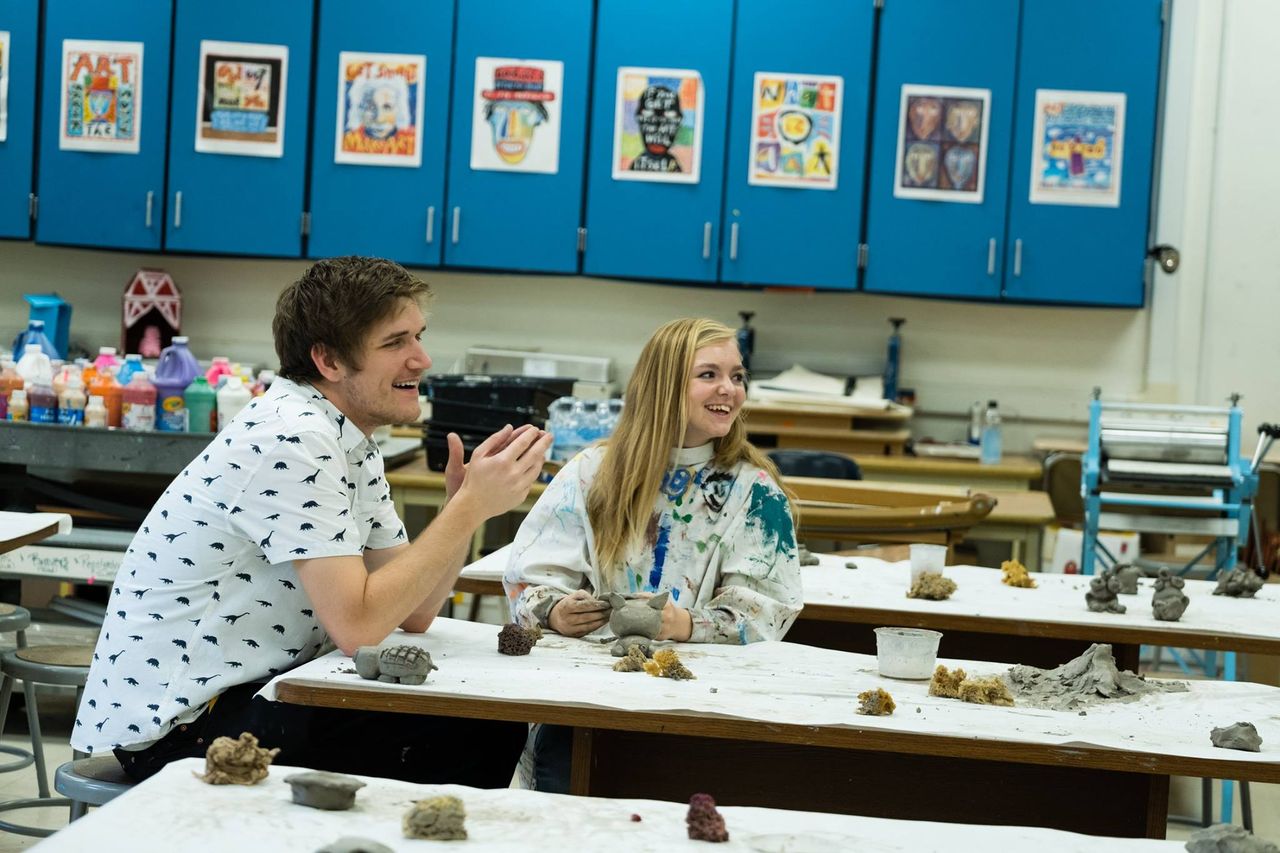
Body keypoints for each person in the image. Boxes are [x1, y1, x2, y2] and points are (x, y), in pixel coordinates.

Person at [74, 256, 553, 785]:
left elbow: (412, 614)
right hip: (180, 727)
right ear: (328, 360)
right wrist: (467, 511)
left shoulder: (349, 437)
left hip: (253, 694)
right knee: (471, 731)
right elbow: (360, 628)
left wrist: (461, 513)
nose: (422, 359)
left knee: (482, 721)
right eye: (396, 343)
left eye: (419, 336)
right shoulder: (293, 437)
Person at [503, 317, 802, 790]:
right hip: (587, 700)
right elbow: (529, 577)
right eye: (709, 375)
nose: (730, 389)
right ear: (663, 386)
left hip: (703, 705)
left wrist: (681, 624)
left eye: (737, 376)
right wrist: (555, 610)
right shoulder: (591, 473)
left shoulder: (755, 492)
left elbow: (767, 612)